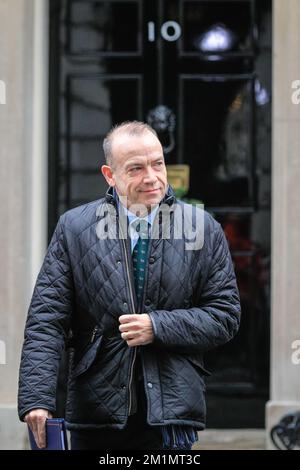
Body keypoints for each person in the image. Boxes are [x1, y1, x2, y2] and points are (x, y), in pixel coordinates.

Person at [18, 121, 241, 450]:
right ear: (110, 175)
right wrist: (36, 398)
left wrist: (158, 326)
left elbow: (225, 316)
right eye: (136, 168)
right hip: (95, 412)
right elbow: (46, 320)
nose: (151, 178)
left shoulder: (202, 227)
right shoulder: (74, 228)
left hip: (170, 416)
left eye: (157, 163)